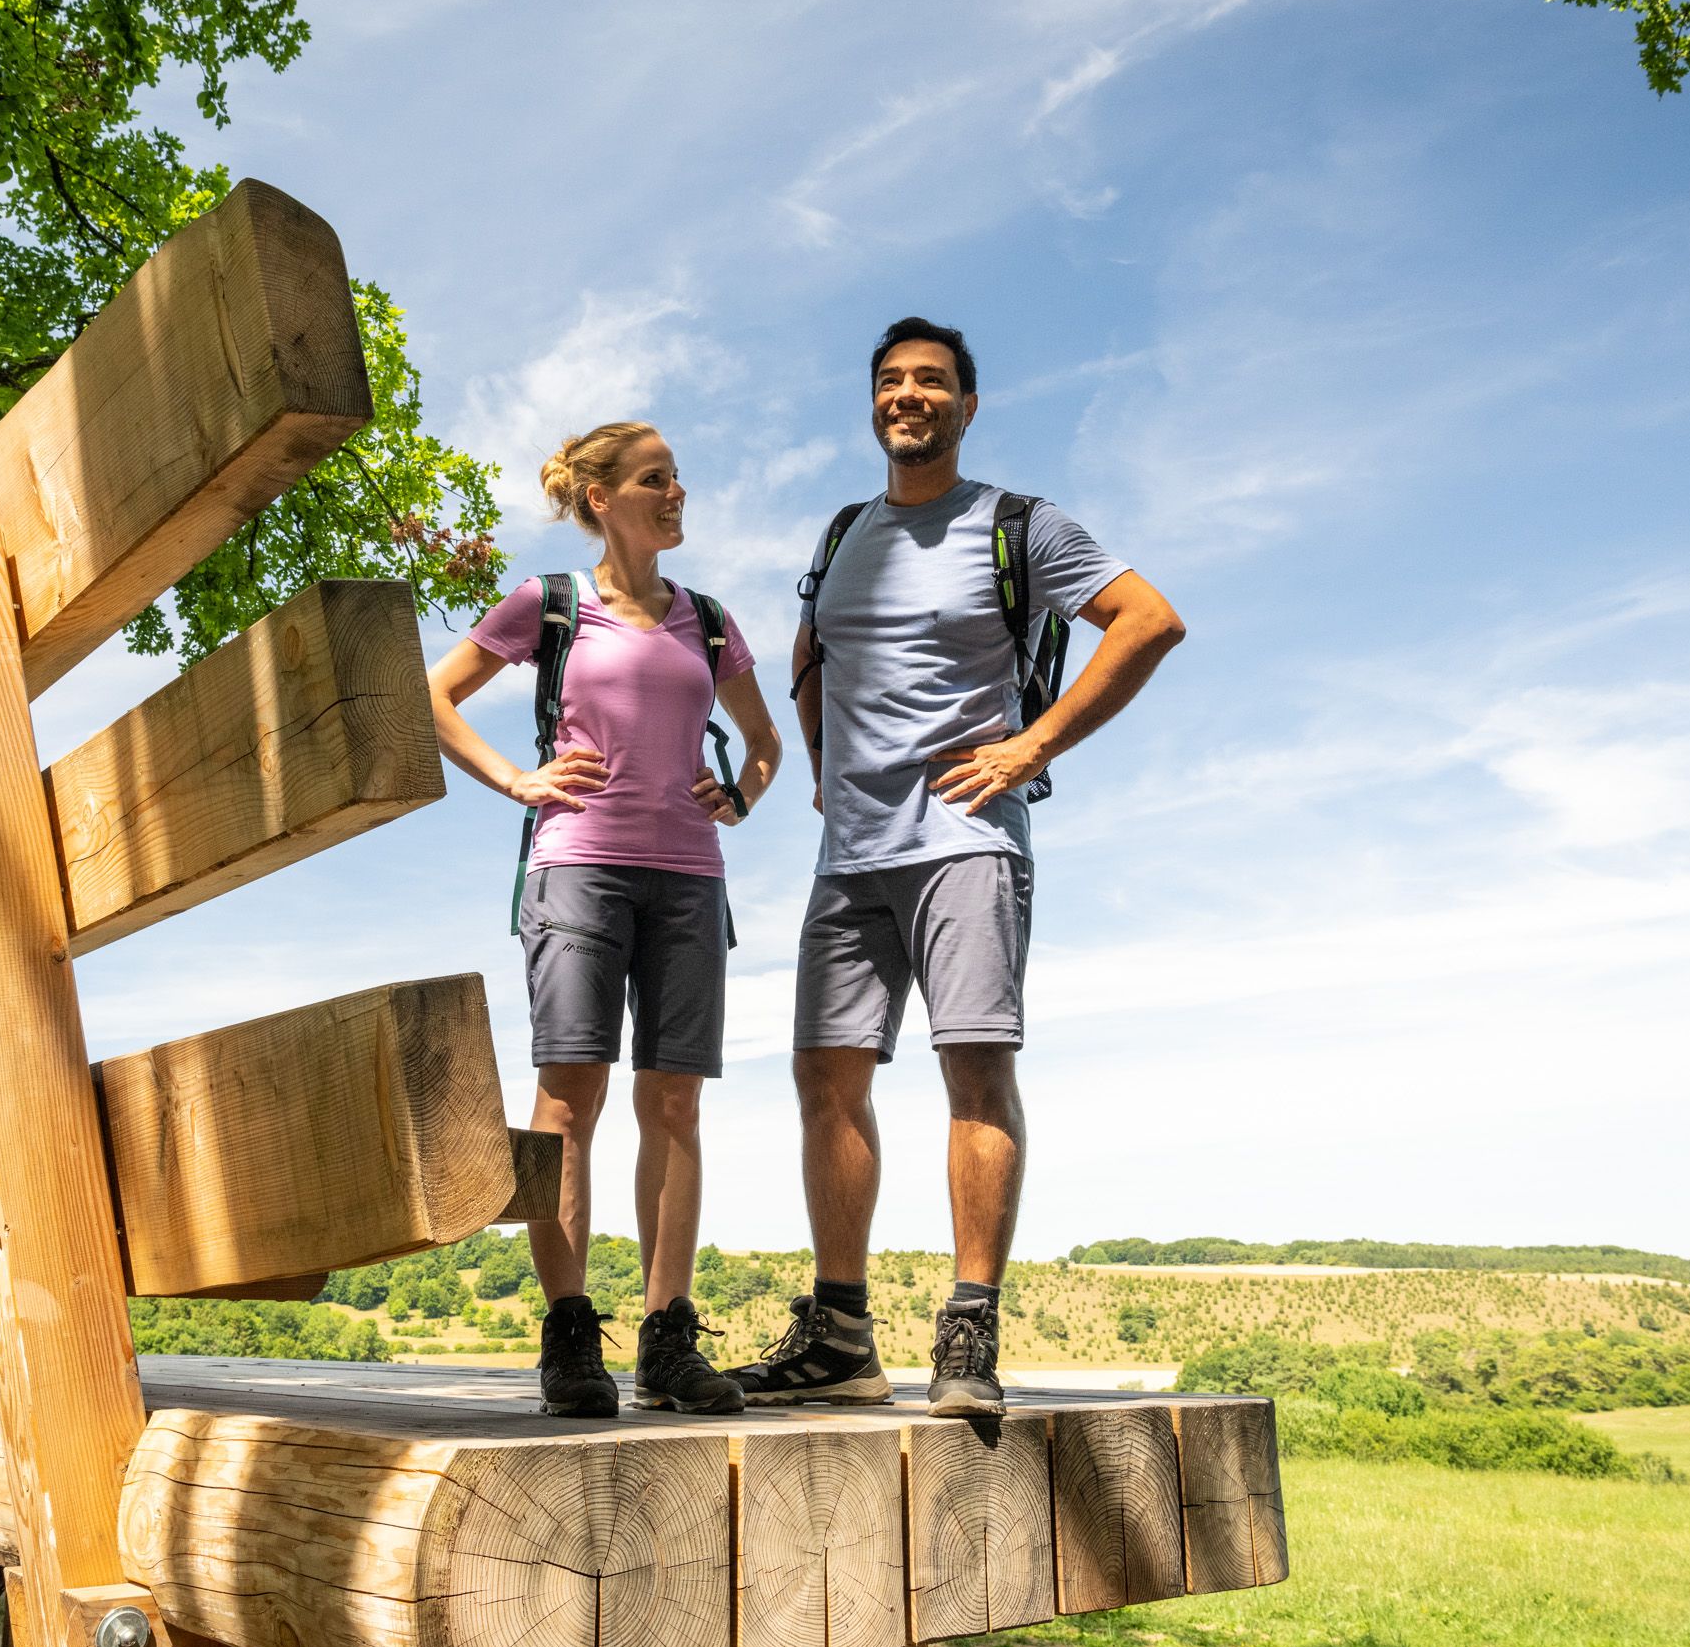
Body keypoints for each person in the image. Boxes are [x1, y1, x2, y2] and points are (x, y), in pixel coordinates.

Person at [728, 317, 1186, 1418]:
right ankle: (839, 1339)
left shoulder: (1016, 524)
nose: (909, 395)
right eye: (891, 380)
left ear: (966, 407)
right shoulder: (845, 532)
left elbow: (1147, 621)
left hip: (967, 840)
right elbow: (811, 652)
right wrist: (827, 769)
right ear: (873, 403)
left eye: (931, 381)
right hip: (853, 853)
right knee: (823, 1078)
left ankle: (969, 1333)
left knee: (973, 1068)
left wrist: (1033, 746)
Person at [427, 421, 781, 1418]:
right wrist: (516, 778)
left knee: (674, 1104)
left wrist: (741, 795)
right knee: (568, 1097)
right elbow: (436, 697)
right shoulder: (550, 605)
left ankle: (668, 1341)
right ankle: (571, 1339)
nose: (676, 494)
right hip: (575, 868)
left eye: (677, 479)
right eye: (655, 479)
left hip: (687, 880)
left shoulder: (708, 621)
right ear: (602, 497)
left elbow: (762, 742)